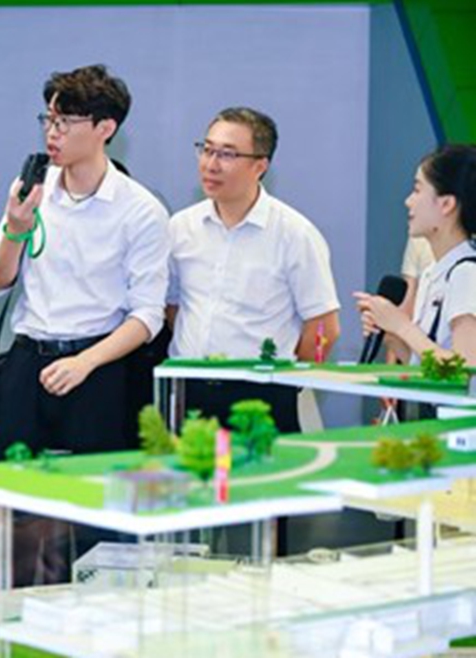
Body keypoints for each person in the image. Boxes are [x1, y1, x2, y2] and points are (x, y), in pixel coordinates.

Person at [0, 65, 169, 584]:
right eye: (48, 118)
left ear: (105, 128)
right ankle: (19, 616)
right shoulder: (31, 189)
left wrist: (85, 362)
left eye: (66, 121)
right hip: (27, 361)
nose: (52, 132)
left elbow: (147, 315)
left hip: (99, 369)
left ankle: (95, 622)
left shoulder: (140, 210)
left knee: (95, 508)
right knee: (19, 505)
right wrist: (16, 231)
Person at [167, 107, 341, 432]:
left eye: (227, 154)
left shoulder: (295, 234)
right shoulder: (181, 227)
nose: (211, 164)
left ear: (260, 166)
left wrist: (288, 379)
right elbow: (173, 307)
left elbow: (324, 328)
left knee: (263, 481)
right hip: (189, 390)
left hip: (262, 394)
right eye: (206, 149)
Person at [356, 145, 476, 365]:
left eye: (417, 190)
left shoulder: (467, 274)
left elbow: (465, 370)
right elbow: (425, 365)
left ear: (447, 204)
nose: (408, 201)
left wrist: (401, 325)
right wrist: (390, 333)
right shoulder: (433, 273)